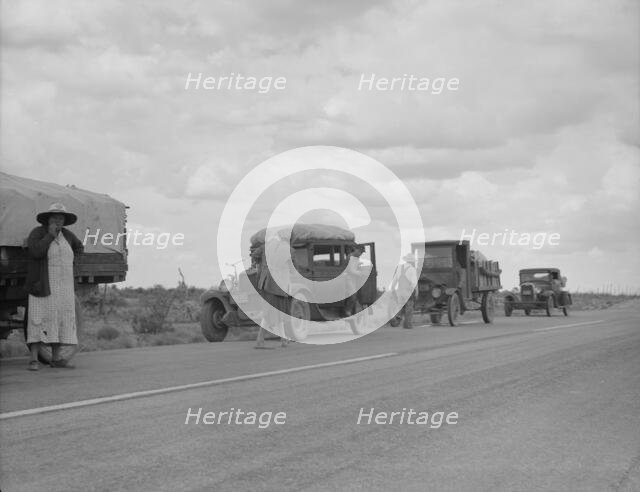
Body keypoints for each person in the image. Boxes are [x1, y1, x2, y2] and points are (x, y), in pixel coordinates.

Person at [24, 203, 84, 370]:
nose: (58, 220)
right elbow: (36, 252)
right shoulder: (38, 233)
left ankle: (56, 359)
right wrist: (50, 236)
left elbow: (79, 247)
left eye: (61, 218)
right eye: (55, 217)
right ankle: (34, 360)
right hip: (43, 285)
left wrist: (74, 263)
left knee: (58, 320)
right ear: (48, 219)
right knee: (38, 320)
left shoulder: (68, 235)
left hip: (63, 287)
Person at [255, 235, 291, 348]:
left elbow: (255, 255)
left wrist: (261, 265)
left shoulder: (266, 246)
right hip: (276, 284)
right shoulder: (285, 248)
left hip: (265, 282)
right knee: (270, 312)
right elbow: (290, 264)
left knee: (277, 312)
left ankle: (284, 339)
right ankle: (260, 340)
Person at [389, 253, 418, 329]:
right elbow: (414, 283)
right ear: (412, 261)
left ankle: (395, 319)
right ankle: (407, 324)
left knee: (400, 307)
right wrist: (415, 292)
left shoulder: (399, 268)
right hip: (408, 291)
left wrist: (392, 289)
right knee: (409, 307)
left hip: (400, 291)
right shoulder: (412, 269)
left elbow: (394, 280)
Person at [344, 245, 372, 316]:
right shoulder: (350, 257)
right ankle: (347, 311)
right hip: (348, 278)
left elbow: (355, 267)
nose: (360, 254)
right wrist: (360, 273)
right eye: (360, 252)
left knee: (358, 296)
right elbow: (350, 270)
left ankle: (354, 312)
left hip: (354, 279)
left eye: (361, 253)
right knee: (353, 295)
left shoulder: (356, 258)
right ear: (355, 249)